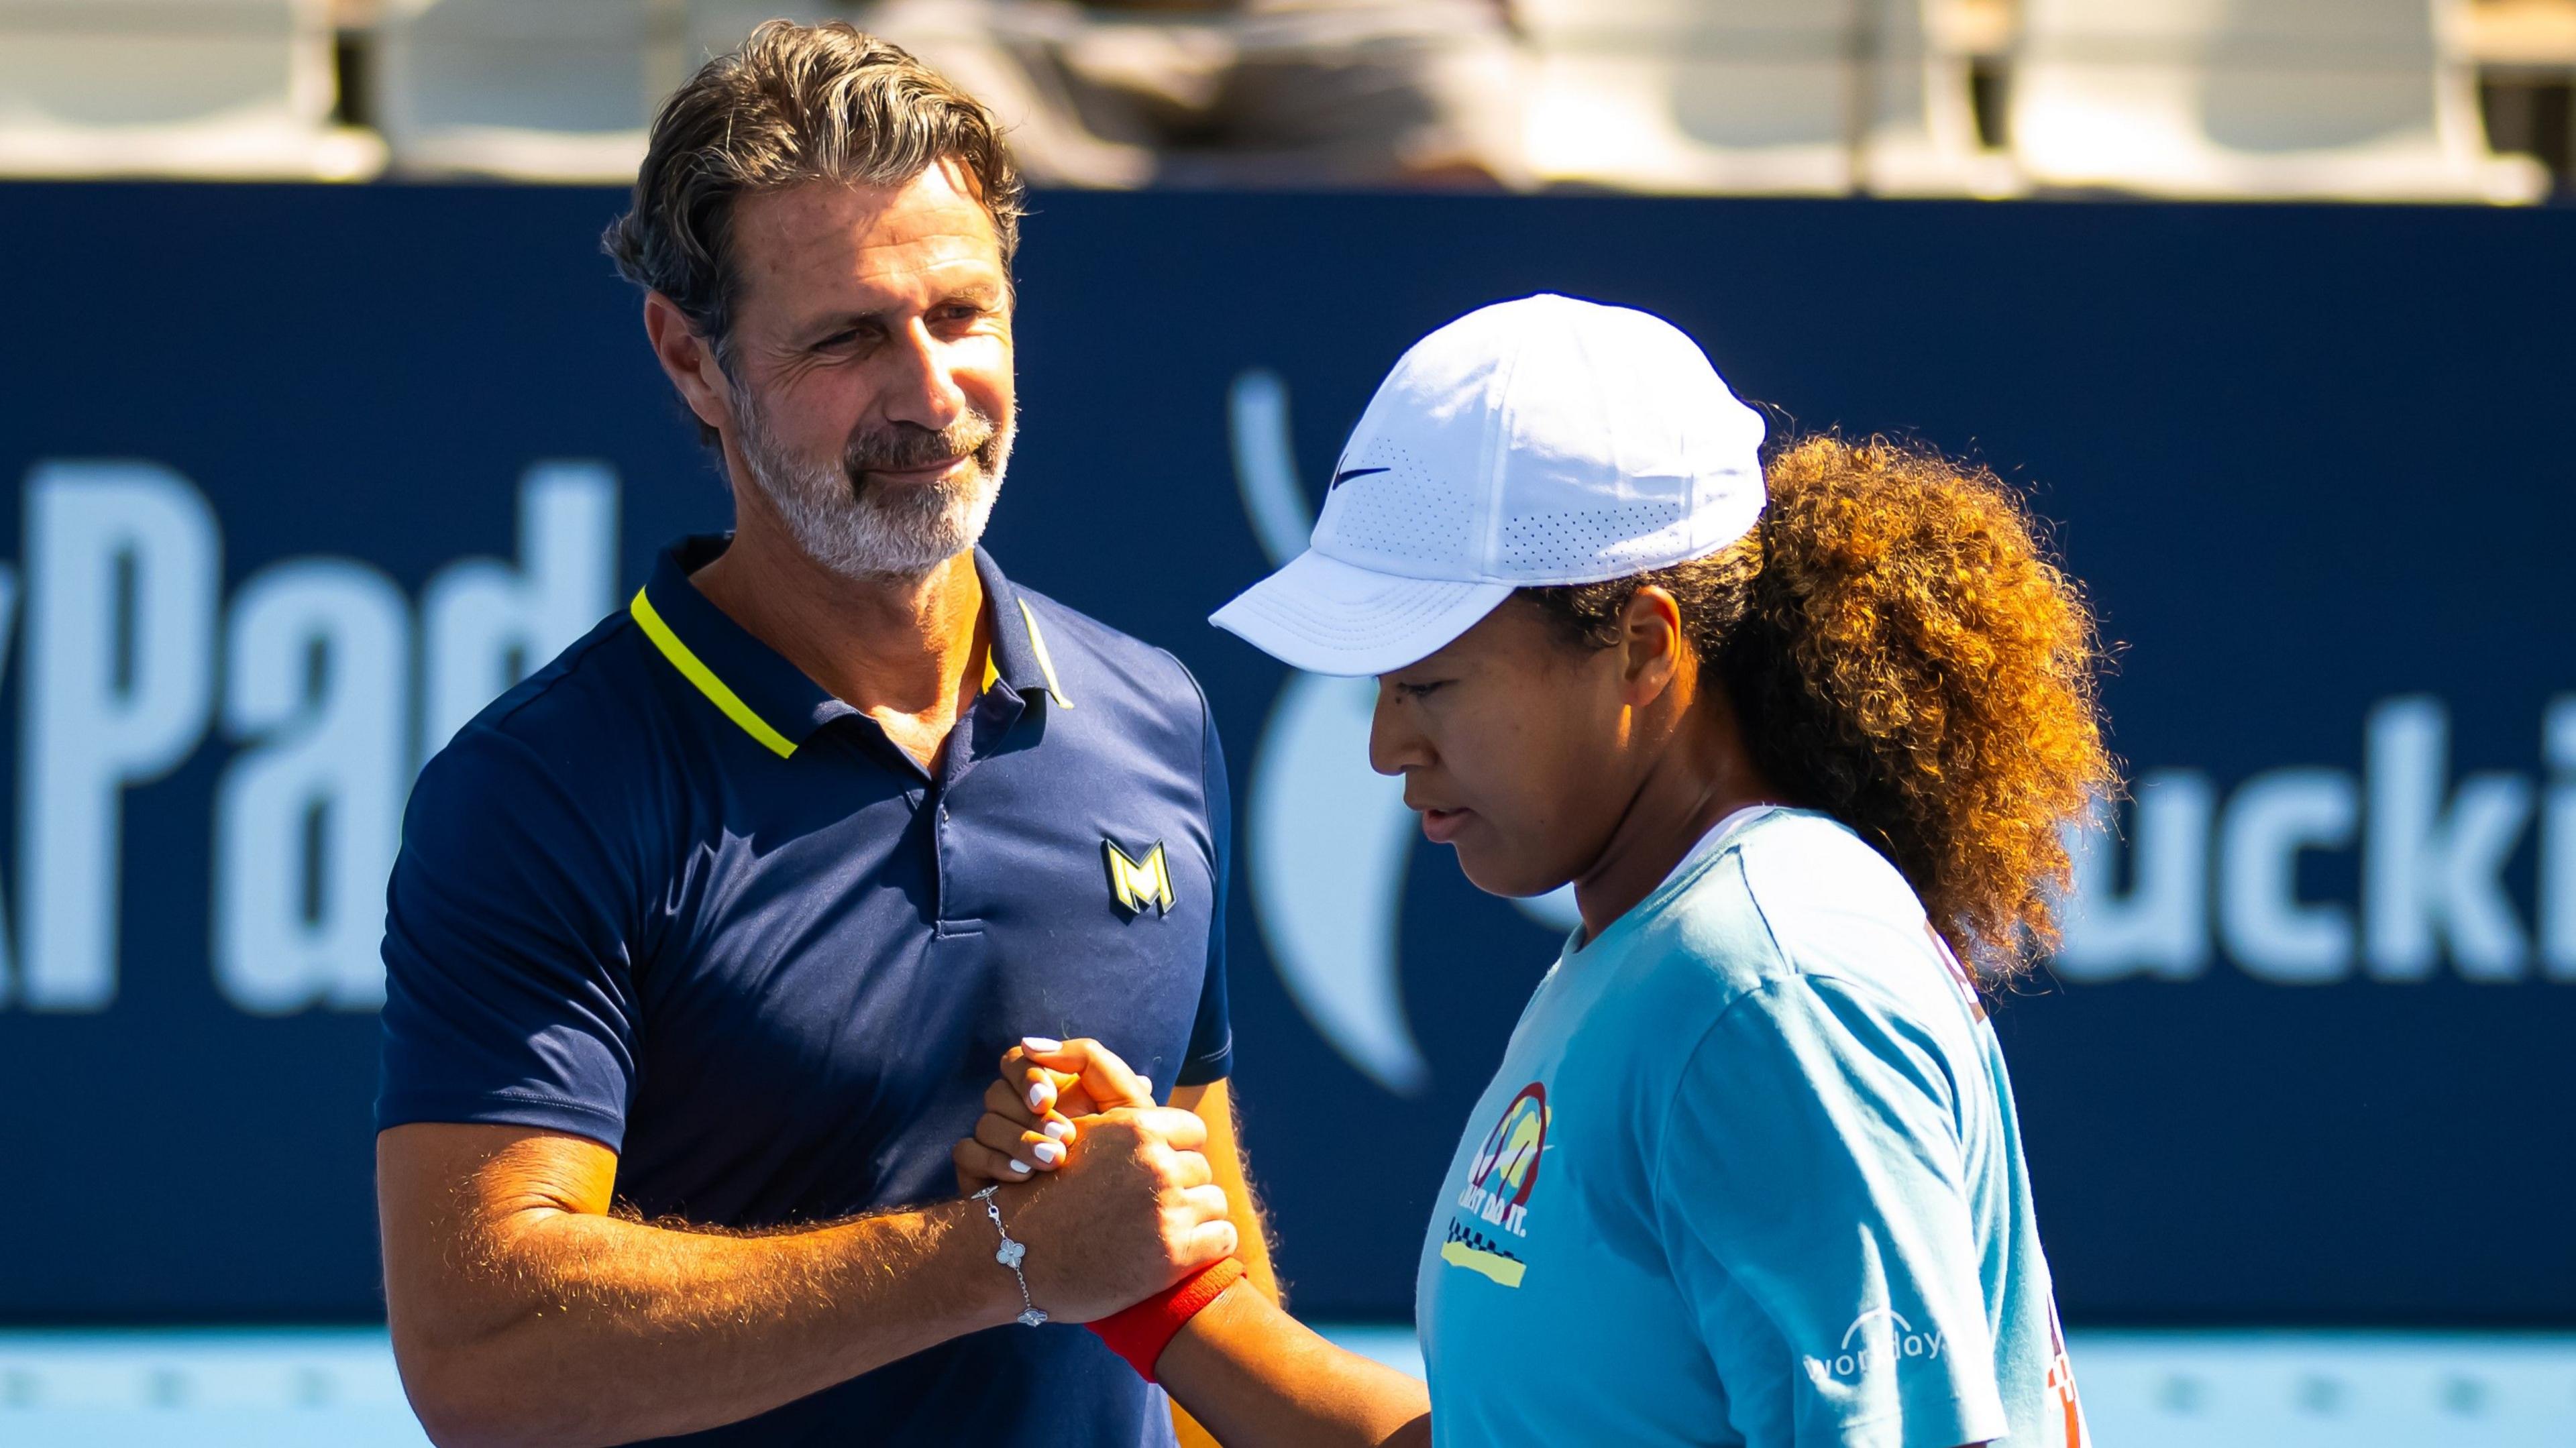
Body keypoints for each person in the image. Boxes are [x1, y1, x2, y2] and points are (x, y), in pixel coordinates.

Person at [957, 294, 2110, 1447]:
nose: (1385, 746)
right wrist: (1163, 1293)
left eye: (1430, 684)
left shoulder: (1765, 988)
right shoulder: (1672, 953)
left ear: (1645, 648)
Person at [372, 21, 1277, 1448]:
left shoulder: (1155, 717)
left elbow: (1199, 1296)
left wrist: (1092, 1248)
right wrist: (1009, 1256)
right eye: (849, 337)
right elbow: (485, 1352)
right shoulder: (539, 791)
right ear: (691, 359)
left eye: (962, 316)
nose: (929, 397)